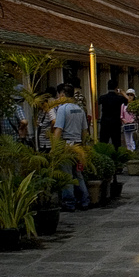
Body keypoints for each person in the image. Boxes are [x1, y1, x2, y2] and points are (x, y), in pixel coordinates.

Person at [54, 83, 90, 211]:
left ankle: (69, 203)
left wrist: (55, 147)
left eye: (59, 95)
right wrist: (83, 145)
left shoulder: (62, 109)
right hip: (78, 144)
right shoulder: (79, 109)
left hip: (67, 145)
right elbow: (85, 130)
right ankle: (84, 200)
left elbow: (58, 129)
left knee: (67, 175)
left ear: (62, 95)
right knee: (78, 174)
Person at [97, 81, 127, 149]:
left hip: (105, 122)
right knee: (116, 143)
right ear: (116, 88)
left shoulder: (103, 97)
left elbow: (96, 103)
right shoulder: (119, 98)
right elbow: (128, 101)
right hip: (115, 122)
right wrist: (122, 93)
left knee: (103, 142)